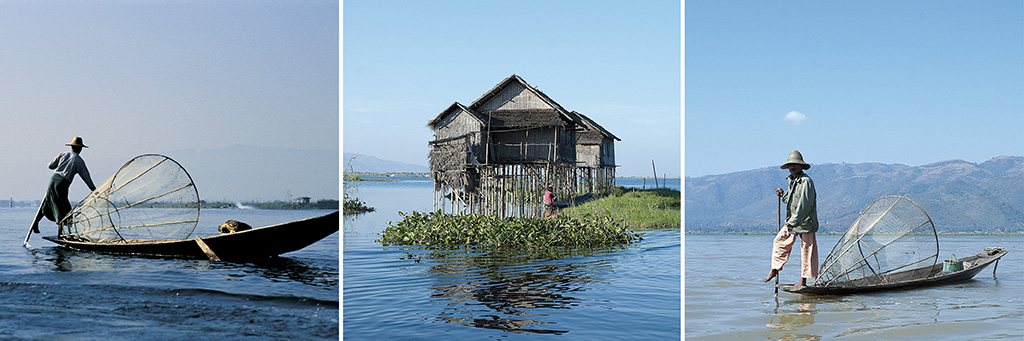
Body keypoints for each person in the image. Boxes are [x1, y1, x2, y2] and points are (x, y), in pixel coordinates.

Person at [763, 150, 819, 287]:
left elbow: (804, 204)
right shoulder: (792, 181)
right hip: (793, 220)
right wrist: (783, 194)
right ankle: (775, 268)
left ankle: (803, 281)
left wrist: (793, 222)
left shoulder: (806, 182)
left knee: (807, 251)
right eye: (790, 165)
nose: (792, 167)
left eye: (795, 164)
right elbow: (791, 200)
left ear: (801, 166)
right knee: (779, 241)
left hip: (805, 221)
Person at [30, 137, 97, 235]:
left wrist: (61, 164)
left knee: (47, 202)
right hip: (62, 183)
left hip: (53, 180)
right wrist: (95, 191)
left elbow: (50, 166)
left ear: (72, 147)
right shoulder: (78, 161)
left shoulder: (63, 154)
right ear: (80, 148)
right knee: (63, 208)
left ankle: (36, 223)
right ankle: (60, 234)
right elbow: (87, 179)